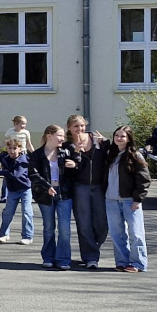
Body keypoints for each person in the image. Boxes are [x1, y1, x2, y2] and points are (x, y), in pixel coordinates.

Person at [29, 125, 78, 270]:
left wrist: (75, 163)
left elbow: (78, 166)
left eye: (63, 136)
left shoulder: (66, 152)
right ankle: (48, 257)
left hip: (64, 193)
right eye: (60, 136)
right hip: (45, 194)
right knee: (49, 227)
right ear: (49, 136)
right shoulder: (37, 154)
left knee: (64, 228)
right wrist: (47, 187)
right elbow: (33, 174)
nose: (62, 139)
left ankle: (63, 259)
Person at [104, 126, 149, 272]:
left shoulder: (135, 156)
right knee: (117, 234)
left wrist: (138, 199)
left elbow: (144, 179)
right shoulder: (111, 155)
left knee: (136, 233)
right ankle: (122, 262)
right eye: (116, 135)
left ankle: (138, 263)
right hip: (111, 200)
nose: (119, 138)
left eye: (122, 136)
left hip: (129, 200)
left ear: (129, 138)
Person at [67, 115, 109, 269]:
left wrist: (106, 143)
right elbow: (68, 172)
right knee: (84, 224)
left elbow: (109, 156)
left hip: (99, 187)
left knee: (102, 224)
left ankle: (93, 246)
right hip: (80, 187)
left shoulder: (96, 139)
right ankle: (90, 257)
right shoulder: (67, 146)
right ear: (69, 128)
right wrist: (76, 152)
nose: (80, 129)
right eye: (76, 126)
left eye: (82, 125)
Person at [0, 137, 33, 245]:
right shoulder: (5, 157)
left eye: (14, 148)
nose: (12, 151)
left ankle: (27, 236)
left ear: (20, 149)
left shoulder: (23, 160)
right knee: (8, 212)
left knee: (27, 212)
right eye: (10, 148)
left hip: (25, 189)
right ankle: (4, 234)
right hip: (12, 190)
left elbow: (16, 174)